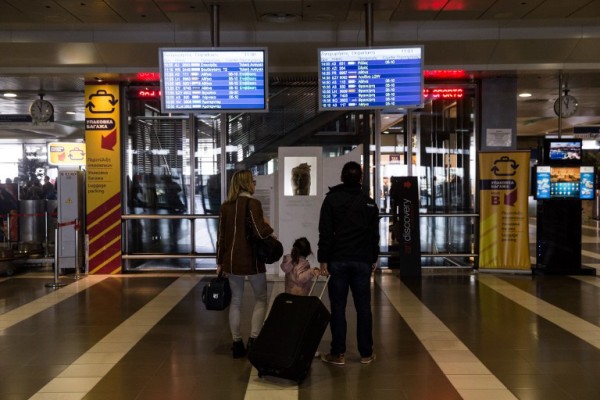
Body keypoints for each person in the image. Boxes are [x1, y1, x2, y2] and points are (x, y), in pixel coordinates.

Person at [317, 161, 380, 366]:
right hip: (362, 261)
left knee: (338, 308)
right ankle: (366, 353)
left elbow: (325, 232)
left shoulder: (331, 200)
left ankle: (338, 353)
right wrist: (373, 258)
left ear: (342, 177)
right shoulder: (369, 203)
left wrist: (323, 259)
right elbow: (374, 235)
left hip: (338, 260)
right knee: (363, 308)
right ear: (360, 178)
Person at [216, 169, 274, 358]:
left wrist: (219, 261)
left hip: (231, 261)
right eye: (253, 181)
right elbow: (259, 231)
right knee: (260, 298)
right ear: (247, 183)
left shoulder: (226, 206)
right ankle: (254, 339)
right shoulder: (253, 203)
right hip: (252, 259)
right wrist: (268, 226)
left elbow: (221, 237)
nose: (255, 184)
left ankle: (237, 343)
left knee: (236, 301)